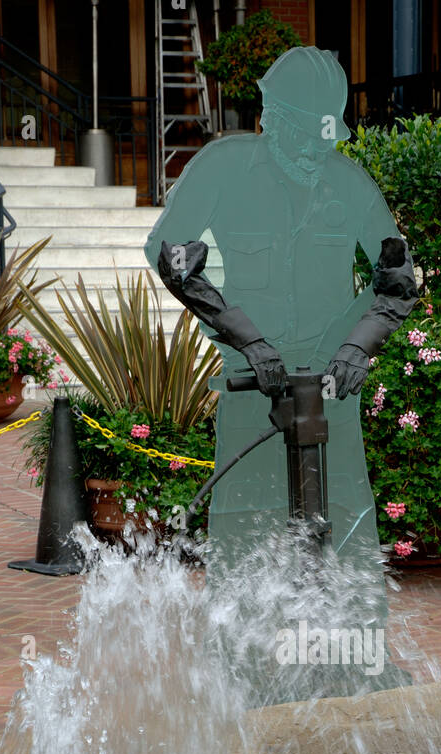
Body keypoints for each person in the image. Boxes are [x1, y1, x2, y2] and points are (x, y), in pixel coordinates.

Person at [144, 47, 418, 694]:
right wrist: (245, 338)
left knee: (349, 518)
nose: (318, 150)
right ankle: (236, 672)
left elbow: (397, 278)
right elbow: (171, 254)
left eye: (328, 135)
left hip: (330, 390)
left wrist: (355, 346)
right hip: (251, 388)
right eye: (306, 133)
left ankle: (361, 662)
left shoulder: (348, 183)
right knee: (242, 521)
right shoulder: (224, 168)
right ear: (272, 117)